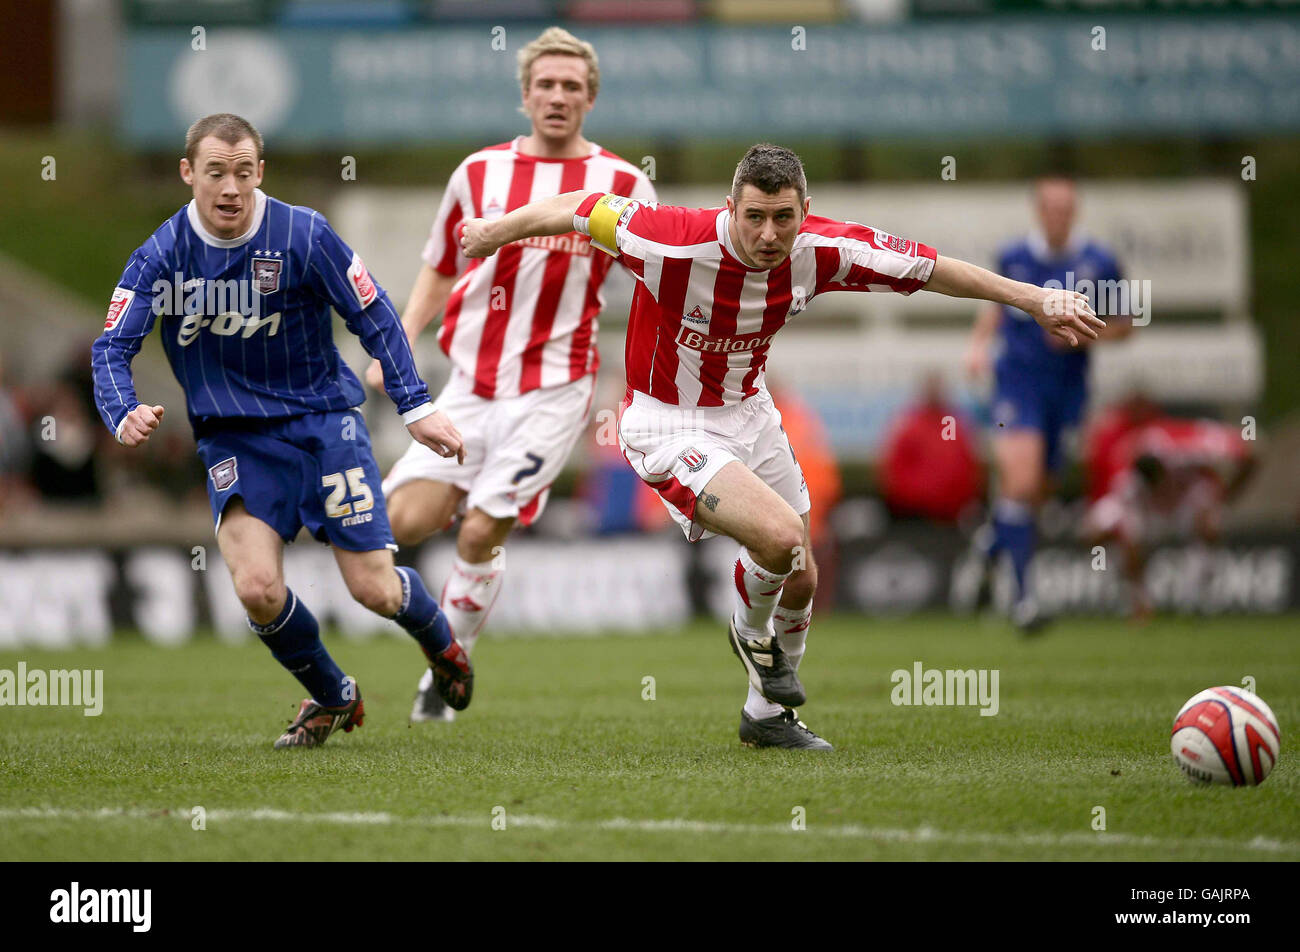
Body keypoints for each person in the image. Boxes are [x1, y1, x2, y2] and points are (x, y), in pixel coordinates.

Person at [458, 144, 1103, 749]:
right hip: (666, 420)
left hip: (749, 411)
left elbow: (935, 270)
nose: (770, 235)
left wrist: (1035, 299)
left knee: (802, 575)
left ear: (805, 211)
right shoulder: (667, 237)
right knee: (777, 538)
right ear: (731, 206)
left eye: (784, 218)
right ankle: (748, 631)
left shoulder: (825, 250)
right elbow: (575, 206)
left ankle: (766, 713)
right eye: (756, 217)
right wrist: (493, 232)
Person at [90, 113, 472, 749]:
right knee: (258, 589)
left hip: (325, 426)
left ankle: (441, 642)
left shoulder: (303, 233)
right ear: (189, 174)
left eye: (243, 172)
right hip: (234, 438)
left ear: (259, 172)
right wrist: (122, 409)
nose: (231, 188)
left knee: (374, 589)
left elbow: (372, 313)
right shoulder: (160, 256)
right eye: (216, 172)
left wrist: (416, 407)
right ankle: (332, 693)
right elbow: (110, 347)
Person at [363, 27, 656, 723]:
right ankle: (455, 596)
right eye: (546, 85)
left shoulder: (624, 184)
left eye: (572, 87)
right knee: (396, 523)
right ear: (525, 96)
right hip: (470, 385)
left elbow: (655, 278)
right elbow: (440, 263)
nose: (558, 97)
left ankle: (447, 668)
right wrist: (399, 341)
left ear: (590, 100)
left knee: (476, 533)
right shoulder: (477, 174)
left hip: (555, 390)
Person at [963, 176, 1131, 631]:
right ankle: (1023, 602)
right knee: (1020, 480)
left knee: (1039, 490)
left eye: (1065, 208)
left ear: (1074, 212)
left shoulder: (1099, 261)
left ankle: (989, 545)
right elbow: (995, 306)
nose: (1057, 216)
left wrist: (1084, 337)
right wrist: (978, 347)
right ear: (1038, 211)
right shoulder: (1014, 256)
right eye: (1049, 208)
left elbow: (1124, 324)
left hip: (1067, 388)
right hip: (1017, 382)